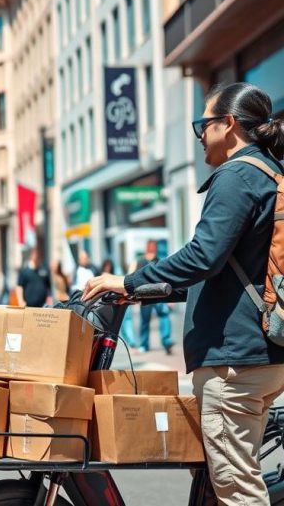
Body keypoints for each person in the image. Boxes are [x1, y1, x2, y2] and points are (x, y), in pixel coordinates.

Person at [84, 82, 284, 505]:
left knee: (237, 489)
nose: (199, 136)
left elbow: (203, 256)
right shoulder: (270, 172)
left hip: (234, 361)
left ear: (228, 124)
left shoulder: (236, 176)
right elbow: (226, 268)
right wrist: (148, 290)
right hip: (263, 352)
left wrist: (128, 281)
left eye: (203, 125)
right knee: (218, 479)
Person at [132, 240, 174, 354]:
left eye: (154, 246)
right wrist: (135, 297)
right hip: (145, 295)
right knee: (145, 321)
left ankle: (166, 341)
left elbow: (165, 278)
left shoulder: (159, 260)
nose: (153, 248)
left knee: (164, 315)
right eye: (151, 246)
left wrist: (170, 298)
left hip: (159, 295)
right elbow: (135, 277)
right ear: (147, 247)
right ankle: (144, 345)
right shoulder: (141, 261)